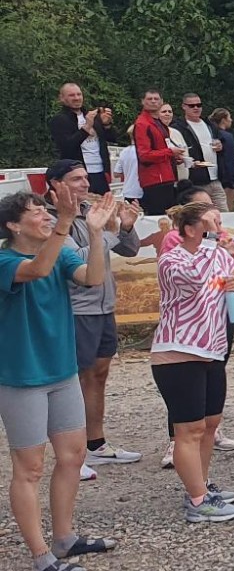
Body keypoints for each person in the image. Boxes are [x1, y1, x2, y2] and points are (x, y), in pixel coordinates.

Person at [2, 185, 118, 571]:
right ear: (13, 226)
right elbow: (36, 270)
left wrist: (97, 233)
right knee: (30, 467)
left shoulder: (61, 250)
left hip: (62, 371)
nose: (45, 215)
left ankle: (65, 538)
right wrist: (65, 222)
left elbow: (93, 278)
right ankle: (40, 557)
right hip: (22, 377)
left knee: (73, 455)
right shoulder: (4, 260)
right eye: (35, 211)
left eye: (45, 209)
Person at [152, 199, 234, 519]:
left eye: (219, 222)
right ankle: (197, 501)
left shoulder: (219, 255)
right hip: (179, 352)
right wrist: (212, 246)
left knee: (209, 425)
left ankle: (202, 486)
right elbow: (193, 279)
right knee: (189, 429)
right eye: (210, 224)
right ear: (190, 230)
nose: (218, 229)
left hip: (213, 350)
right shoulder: (172, 259)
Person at [46, 162, 144, 472]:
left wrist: (125, 226)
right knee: (72, 380)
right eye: (76, 179)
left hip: (104, 305)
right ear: (55, 184)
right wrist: (107, 230)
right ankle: (71, 454)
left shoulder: (92, 210)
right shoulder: (49, 219)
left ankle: (95, 444)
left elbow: (131, 250)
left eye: (86, 177)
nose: (85, 183)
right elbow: (78, 260)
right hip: (74, 308)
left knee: (99, 374)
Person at [131, 89, 180, 215]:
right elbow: (144, 155)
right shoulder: (142, 124)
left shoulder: (157, 122)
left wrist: (174, 157)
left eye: (156, 99)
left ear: (161, 102)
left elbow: (160, 149)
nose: (153, 101)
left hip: (166, 177)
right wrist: (170, 152)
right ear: (143, 102)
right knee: (159, 218)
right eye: (149, 99)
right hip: (154, 179)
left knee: (171, 217)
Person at [169, 92, 219, 194]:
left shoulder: (209, 124)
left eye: (199, 105)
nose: (196, 108)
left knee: (223, 204)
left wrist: (219, 145)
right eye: (191, 106)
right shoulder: (178, 127)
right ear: (184, 107)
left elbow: (218, 141)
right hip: (195, 179)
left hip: (215, 177)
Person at [208, 107, 234, 212]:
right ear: (223, 120)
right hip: (226, 179)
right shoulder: (227, 137)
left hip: (212, 176)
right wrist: (233, 180)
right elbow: (229, 160)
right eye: (229, 117)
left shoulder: (210, 135)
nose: (231, 120)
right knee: (227, 209)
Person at [49, 82, 89, 161]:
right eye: (71, 95)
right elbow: (67, 147)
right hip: (77, 167)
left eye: (79, 94)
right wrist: (87, 127)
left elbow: (111, 139)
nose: (76, 98)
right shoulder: (59, 120)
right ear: (62, 98)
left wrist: (107, 125)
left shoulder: (90, 115)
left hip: (101, 167)